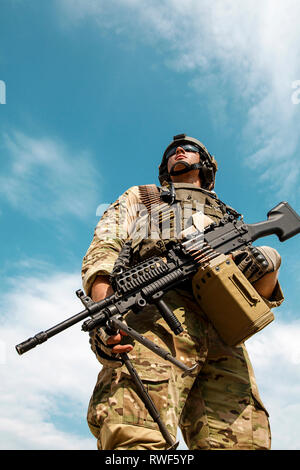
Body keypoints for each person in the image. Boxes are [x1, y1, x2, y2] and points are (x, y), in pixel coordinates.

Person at [81, 133, 284, 450]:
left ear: (207, 167)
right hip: (155, 322)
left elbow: (260, 296)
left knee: (243, 444)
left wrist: (269, 264)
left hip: (223, 335)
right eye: (172, 151)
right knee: (136, 437)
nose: (178, 150)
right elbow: (105, 249)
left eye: (189, 149)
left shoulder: (227, 214)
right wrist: (103, 312)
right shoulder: (145, 197)